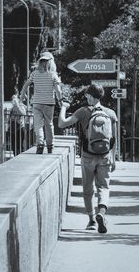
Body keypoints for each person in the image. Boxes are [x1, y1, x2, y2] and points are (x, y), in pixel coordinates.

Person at [58, 84, 117, 233]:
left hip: (87, 155)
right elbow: (113, 139)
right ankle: (101, 213)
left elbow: (62, 123)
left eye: (87, 95)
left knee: (88, 189)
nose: (86, 98)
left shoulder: (83, 111)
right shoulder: (110, 113)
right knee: (103, 187)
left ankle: (91, 220)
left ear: (90, 96)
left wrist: (64, 107)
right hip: (104, 155)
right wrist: (113, 157)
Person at [20, 51, 62, 154]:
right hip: (49, 104)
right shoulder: (53, 75)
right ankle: (50, 146)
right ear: (50, 63)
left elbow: (26, 84)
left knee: (38, 125)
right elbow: (58, 90)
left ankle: (40, 145)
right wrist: (61, 101)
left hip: (37, 103)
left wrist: (22, 95)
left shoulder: (34, 74)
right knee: (49, 124)